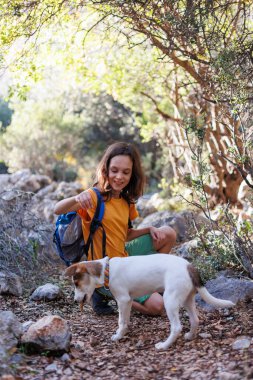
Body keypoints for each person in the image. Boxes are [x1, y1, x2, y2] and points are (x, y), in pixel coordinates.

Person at [54, 142, 177, 316]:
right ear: (106, 170)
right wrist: (77, 197)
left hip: (124, 258)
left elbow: (124, 235)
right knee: (159, 307)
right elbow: (58, 209)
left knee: (167, 234)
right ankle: (110, 293)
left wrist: (149, 228)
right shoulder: (93, 196)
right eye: (114, 170)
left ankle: (153, 282)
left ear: (132, 174)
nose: (119, 176)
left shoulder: (126, 201)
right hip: (105, 271)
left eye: (126, 172)